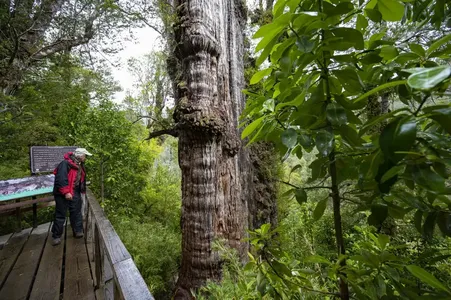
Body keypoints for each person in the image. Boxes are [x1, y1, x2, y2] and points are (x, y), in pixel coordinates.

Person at [51, 148, 92, 246]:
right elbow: (61, 179)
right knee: (61, 214)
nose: (85, 158)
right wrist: (66, 192)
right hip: (62, 193)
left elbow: (80, 179)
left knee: (76, 212)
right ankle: (56, 236)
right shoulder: (65, 164)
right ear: (80, 156)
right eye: (84, 156)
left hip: (75, 191)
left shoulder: (80, 165)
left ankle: (78, 231)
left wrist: (81, 189)